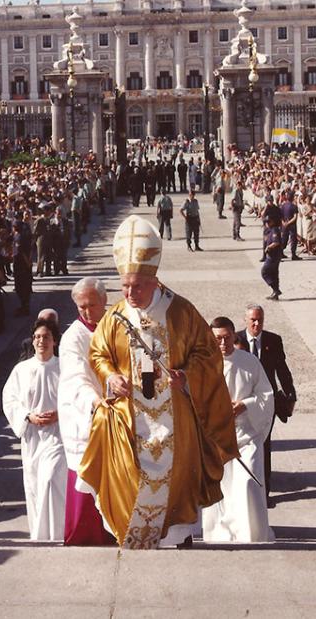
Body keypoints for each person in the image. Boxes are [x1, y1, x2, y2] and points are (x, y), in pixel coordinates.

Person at [79, 215, 238, 549]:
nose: (130, 292)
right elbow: (98, 355)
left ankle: (177, 538)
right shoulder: (115, 316)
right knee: (129, 479)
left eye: (137, 286)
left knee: (176, 476)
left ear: (154, 281)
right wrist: (112, 377)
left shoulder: (180, 312)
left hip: (174, 418)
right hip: (128, 418)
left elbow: (207, 352)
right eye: (124, 286)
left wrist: (187, 375)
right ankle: (132, 535)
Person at [203, 317, 274, 543]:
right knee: (221, 489)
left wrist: (245, 405)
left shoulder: (250, 362)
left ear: (235, 336)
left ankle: (252, 533)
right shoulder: (204, 364)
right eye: (217, 339)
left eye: (226, 338)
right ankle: (220, 532)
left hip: (246, 435)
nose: (223, 344)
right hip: (217, 439)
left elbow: (266, 395)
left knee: (248, 483)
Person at [57, 277, 115, 546]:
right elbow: (76, 377)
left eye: (92, 305)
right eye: (81, 307)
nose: (87, 312)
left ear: (104, 301)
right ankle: (87, 534)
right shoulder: (73, 337)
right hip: (88, 414)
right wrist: (95, 402)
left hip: (118, 410)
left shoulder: (116, 324)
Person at [2, 318, 67, 541]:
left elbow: (75, 398)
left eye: (46, 337)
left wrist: (59, 414)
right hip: (32, 437)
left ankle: (57, 534)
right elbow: (9, 400)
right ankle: (40, 537)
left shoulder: (64, 368)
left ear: (55, 341)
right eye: (37, 337)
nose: (41, 341)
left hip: (58, 435)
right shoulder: (22, 369)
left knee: (51, 480)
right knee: (36, 485)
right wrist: (28, 416)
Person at [236, 304, 296, 505]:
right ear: (245, 320)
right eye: (253, 320)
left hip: (265, 403)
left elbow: (282, 370)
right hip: (242, 402)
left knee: (264, 444)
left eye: (260, 319)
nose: (256, 323)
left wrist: (290, 394)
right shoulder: (235, 340)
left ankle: (264, 492)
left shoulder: (273, 340)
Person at [261, 216, 283, 301]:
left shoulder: (274, 230)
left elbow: (276, 242)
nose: (267, 224)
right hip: (271, 255)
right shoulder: (268, 230)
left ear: (272, 222)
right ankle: (275, 293)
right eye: (265, 222)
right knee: (274, 274)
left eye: (268, 222)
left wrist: (269, 247)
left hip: (273, 256)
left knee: (264, 272)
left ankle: (275, 290)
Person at [279, 191, 301, 260]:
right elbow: (295, 217)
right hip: (291, 225)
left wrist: (283, 223)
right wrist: (288, 223)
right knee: (293, 239)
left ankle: (281, 252)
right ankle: (293, 254)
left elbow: (281, 216)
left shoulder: (283, 205)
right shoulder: (294, 206)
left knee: (284, 239)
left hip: (285, 225)